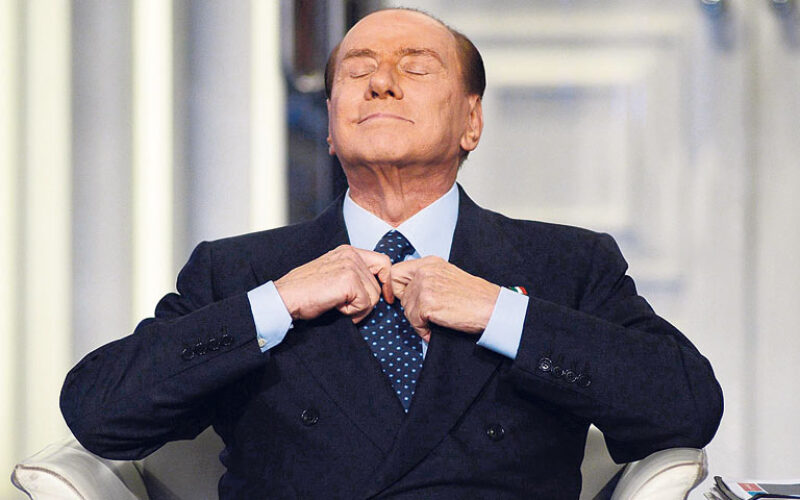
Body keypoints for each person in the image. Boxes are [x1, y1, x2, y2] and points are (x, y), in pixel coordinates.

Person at [60, 8, 723, 499]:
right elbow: (100, 413)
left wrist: (499, 313)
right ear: (330, 125)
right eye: (358, 71)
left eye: (416, 67)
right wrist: (276, 304)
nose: (381, 82)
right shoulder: (240, 272)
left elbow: (686, 406)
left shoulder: (564, 264)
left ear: (472, 121)